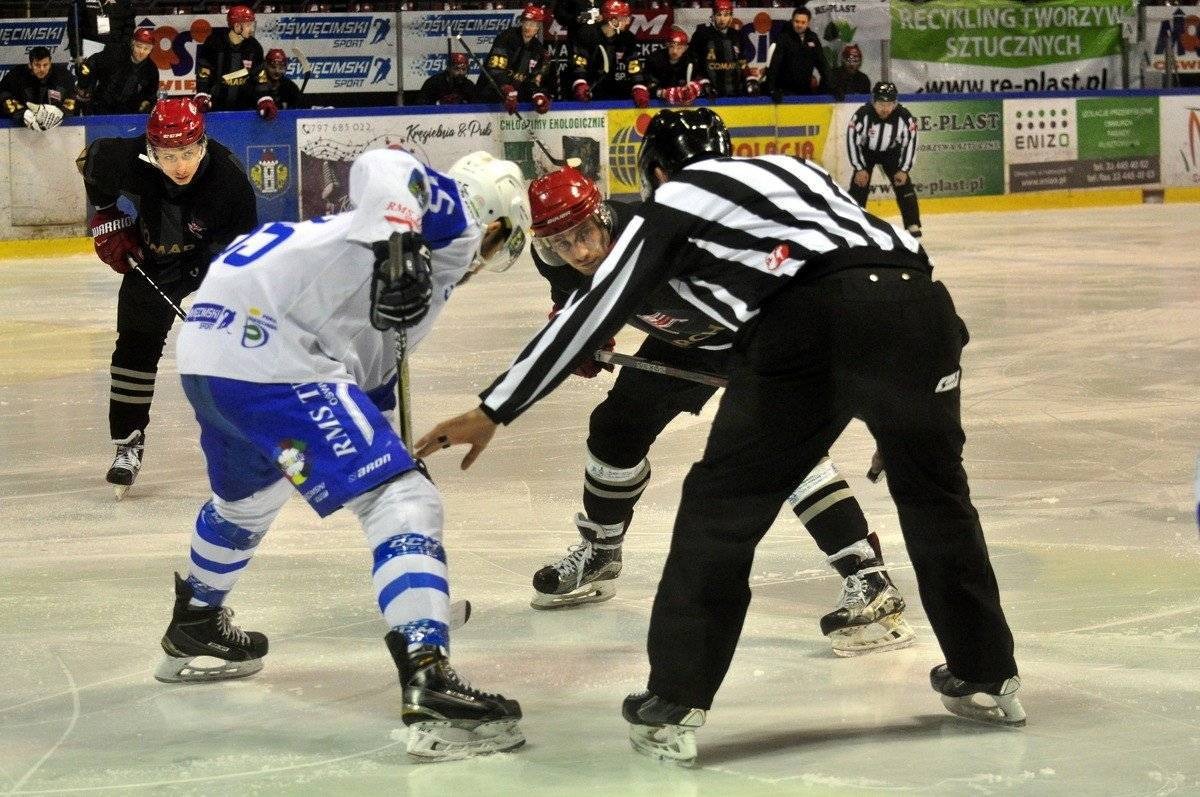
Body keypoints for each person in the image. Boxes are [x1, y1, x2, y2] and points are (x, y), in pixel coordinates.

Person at [416, 108, 1023, 765]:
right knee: (938, 498)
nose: (577, 248)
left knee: (720, 508)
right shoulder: (798, 172)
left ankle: (675, 699)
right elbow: (887, 261)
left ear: (650, 172)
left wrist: (495, 407)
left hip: (799, 322)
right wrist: (904, 401)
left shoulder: (668, 200)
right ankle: (989, 675)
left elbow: (596, 307)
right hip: (922, 310)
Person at [155, 148, 532, 762]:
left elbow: (368, 381)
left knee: (246, 503)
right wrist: (399, 243)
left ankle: (197, 619)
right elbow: (383, 164)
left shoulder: (375, 258)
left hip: (209, 358)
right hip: (270, 353)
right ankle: (428, 676)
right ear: (496, 226)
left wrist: (386, 455)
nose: (483, 263)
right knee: (404, 500)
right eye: (499, 247)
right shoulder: (455, 227)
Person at [525, 166, 914, 656]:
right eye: (561, 243)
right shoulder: (559, 263)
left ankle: (868, 575)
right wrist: (583, 339)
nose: (578, 252)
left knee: (783, 447)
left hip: (756, 331)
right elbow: (578, 306)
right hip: (683, 339)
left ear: (604, 215)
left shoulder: (653, 236)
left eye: (584, 233)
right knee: (616, 428)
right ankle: (602, 549)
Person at [76, 98, 257, 498]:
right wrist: (106, 217)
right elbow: (92, 162)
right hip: (153, 259)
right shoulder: (127, 158)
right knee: (134, 347)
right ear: (151, 149)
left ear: (204, 144)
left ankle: (253, 433)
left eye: (189, 153)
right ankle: (128, 440)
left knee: (231, 347)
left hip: (211, 260)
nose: (180, 165)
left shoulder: (229, 182)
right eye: (169, 155)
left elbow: (243, 255)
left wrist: (224, 301)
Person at [847, 81, 922, 238]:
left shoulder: (904, 117)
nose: (885, 108)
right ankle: (854, 223)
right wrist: (859, 168)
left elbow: (911, 142)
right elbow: (852, 139)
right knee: (858, 186)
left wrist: (904, 169)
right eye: (881, 103)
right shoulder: (862, 114)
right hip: (867, 152)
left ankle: (912, 223)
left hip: (891, 152)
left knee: (904, 185)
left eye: (889, 104)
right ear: (874, 101)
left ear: (895, 103)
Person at [478, 4, 552, 115]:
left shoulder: (537, 48)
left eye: (532, 24)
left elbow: (530, 80)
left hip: (514, 97)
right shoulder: (506, 38)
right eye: (526, 23)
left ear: (537, 27)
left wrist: (537, 94)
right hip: (491, 93)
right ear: (521, 23)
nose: (528, 27)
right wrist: (507, 89)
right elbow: (496, 70)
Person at [194, 4, 264, 112]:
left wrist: (264, 99)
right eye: (249, 25)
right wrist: (202, 94)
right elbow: (204, 72)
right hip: (216, 107)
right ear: (237, 26)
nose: (252, 29)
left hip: (245, 109)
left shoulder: (255, 47)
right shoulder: (213, 43)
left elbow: (260, 76)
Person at [571, 0, 643, 103]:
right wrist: (580, 83)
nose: (628, 21)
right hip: (588, 87)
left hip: (612, 87)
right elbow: (579, 61)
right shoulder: (587, 34)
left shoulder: (627, 37)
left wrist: (639, 86)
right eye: (624, 18)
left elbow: (633, 63)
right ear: (612, 20)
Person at [76, 26, 159, 115]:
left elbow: (151, 94)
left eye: (146, 48)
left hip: (127, 113)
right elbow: (91, 63)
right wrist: (84, 85)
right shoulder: (115, 53)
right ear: (132, 44)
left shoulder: (151, 70)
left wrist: (146, 104)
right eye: (139, 46)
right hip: (100, 107)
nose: (141, 51)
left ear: (151, 49)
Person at [688, 0, 755, 98]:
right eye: (719, 15)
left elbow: (742, 61)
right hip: (709, 94)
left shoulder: (737, 35)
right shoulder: (701, 34)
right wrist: (702, 81)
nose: (722, 19)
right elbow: (693, 61)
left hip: (735, 93)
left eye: (726, 15)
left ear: (731, 17)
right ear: (713, 16)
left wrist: (750, 77)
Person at [0, 46, 77, 132]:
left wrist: (61, 113)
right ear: (30, 64)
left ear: (50, 63)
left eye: (45, 65)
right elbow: (3, 95)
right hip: (21, 129)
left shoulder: (64, 76)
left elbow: (72, 97)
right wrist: (22, 113)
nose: (42, 69)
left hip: (56, 131)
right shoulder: (16, 75)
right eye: (37, 65)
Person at [764, 6, 827, 102]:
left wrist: (833, 87)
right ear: (792, 21)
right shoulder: (784, 38)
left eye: (803, 22)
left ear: (808, 23)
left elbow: (822, 64)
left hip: (805, 92)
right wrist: (772, 89)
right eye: (797, 21)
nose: (799, 25)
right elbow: (774, 65)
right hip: (785, 93)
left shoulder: (813, 38)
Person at [225, 48, 305, 120]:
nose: (277, 71)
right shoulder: (252, 83)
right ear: (266, 65)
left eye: (281, 67)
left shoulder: (289, 86)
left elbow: (298, 109)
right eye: (273, 67)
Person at [641, 26, 704, 107]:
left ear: (685, 48)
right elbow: (646, 82)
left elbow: (699, 80)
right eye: (671, 47)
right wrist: (661, 93)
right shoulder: (654, 59)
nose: (675, 51)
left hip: (684, 104)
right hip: (657, 102)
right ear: (667, 45)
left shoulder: (692, 61)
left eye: (679, 48)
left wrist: (692, 92)